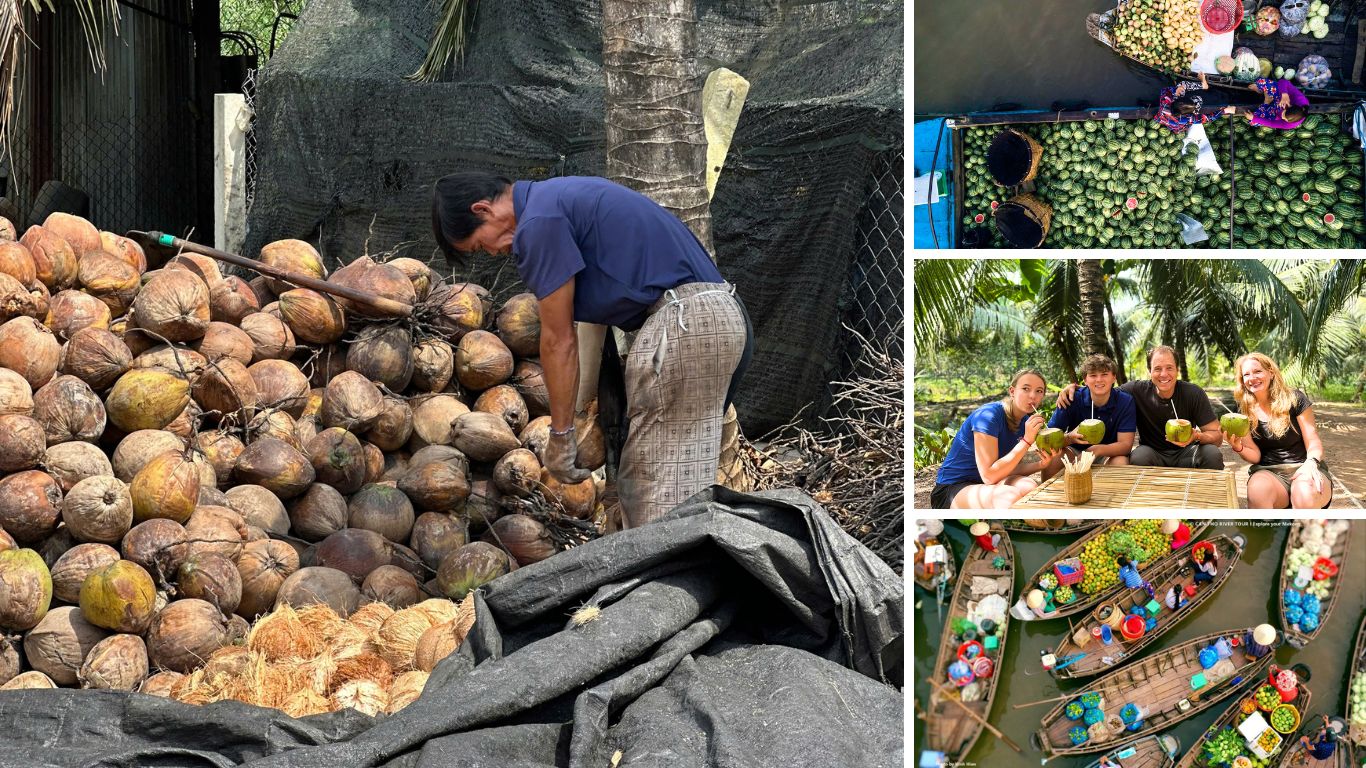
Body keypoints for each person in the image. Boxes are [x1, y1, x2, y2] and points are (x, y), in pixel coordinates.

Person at [430, 173, 752, 529]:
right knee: (662, 481)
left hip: (686, 324)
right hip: (712, 318)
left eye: (479, 246)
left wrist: (561, 436)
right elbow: (587, 329)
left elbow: (558, 339)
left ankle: (664, 581)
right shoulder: (558, 200)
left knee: (657, 498)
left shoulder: (538, 223)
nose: (492, 253)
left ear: (483, 210)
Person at [1058, 346, 1223, 469]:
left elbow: (1217, 437)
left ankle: (1205, 510)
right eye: (1157, 369)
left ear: (1177, 370)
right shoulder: (1135, 390)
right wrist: (1075, 388)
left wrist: (1196, 437)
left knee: (1212, 453)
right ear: (1149, 371)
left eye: (1169, 368)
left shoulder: (1193, 393)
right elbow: (1102, 388)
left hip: (1188, 452)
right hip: (1152, 453)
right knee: (1138, 456)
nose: (1164, 374)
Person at [930, 368, 1064, 509]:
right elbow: (989, 476)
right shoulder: (988, 416)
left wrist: (1040, 465)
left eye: (1039, 391)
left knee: (1029, 487)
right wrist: (1026, 441)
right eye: (1026, 389)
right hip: (952, 489)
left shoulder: (1024, 421)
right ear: (1012, 391)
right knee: (1008, 497)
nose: (1033, 396)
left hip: (985, 484)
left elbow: (1005, 470)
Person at [1223, 352, 1333, 509]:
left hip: (1303, 467)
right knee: (1258, 490)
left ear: (1271, 372)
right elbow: (1255, 455)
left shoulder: (1295, 399)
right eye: (1246, 374)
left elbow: (1313, 440)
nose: (1252, 378)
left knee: (1303, 492)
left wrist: (1311, 463)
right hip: (1270, 474)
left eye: (1257, 371)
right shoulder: (1243, 410)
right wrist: (1238, 447)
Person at [1041, 353, 1136, 480]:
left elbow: (1125, 445)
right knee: (1054, 459)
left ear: (1114, 377)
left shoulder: (1125, 401)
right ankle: (1047, 495)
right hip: (1074, 452)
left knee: (1121, 462)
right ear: (1085, 380)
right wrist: (1070, 438)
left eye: (1104, 374)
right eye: (1093, 375)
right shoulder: (1070, 398)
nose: (1099, 380)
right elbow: (1050, 442)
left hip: (1108, 454)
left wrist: (1094, 450)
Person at [1155, 72, 1237, 134]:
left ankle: (1203, 85)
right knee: (1197, 99)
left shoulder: (1165, 102)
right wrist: (1225, 111)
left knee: (1181, 85)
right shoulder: (1188, 119)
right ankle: (1203, 85)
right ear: (1188, 114)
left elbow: (1165, 90)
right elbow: (1208, 118)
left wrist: (1176, 91)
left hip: (1165, 121)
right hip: (1178, 126)